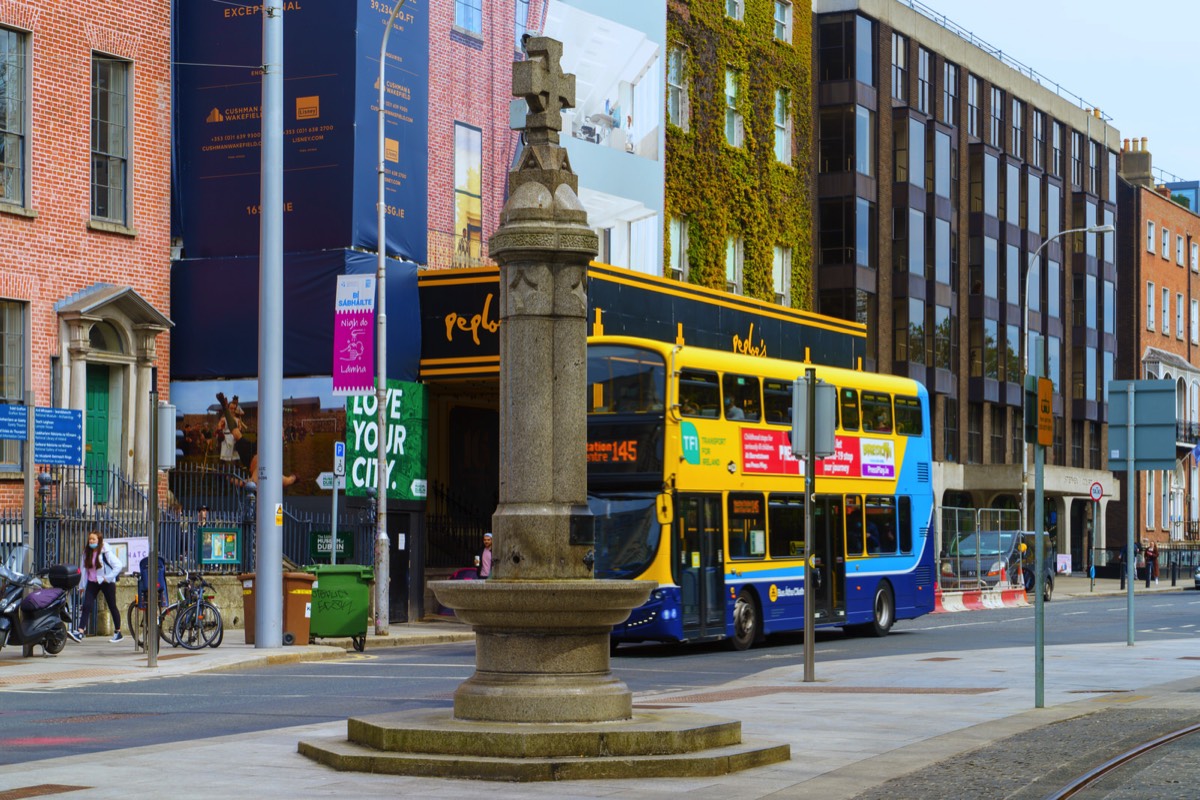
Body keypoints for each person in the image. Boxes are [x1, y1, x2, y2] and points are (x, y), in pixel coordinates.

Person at [216, 393, 297, 487]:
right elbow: (291, 479)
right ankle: (225, 407)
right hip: (260, 453)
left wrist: (228, 478)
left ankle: (225, 408)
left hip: (253, 455)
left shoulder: (264, 478)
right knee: (237, 434)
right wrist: (294, 478)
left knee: (236, 434)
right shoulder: (277, 479)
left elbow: (244, 483)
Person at [70, 530, 123, 643]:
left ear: (99, 540)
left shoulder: (105, 551)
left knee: (112, 606)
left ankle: (118, 632)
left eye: (93, 539)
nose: (91, 541)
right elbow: (84, 571)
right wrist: (82, 586)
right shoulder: (86, 552)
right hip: (92, 582)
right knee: (86, 606)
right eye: (90, 539)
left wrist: (108, 578)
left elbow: (118, 565)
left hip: (105, 582)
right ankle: (80, 632)